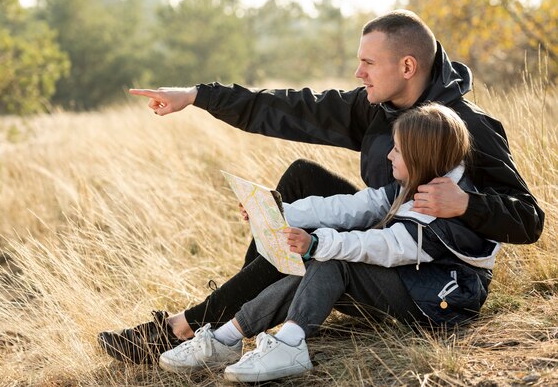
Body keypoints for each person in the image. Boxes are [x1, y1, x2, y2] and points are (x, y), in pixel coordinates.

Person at [97, 9, 544, 365]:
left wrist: (465, 203)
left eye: (368, 62)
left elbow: (529, 219)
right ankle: (241, 315)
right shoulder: (377, 107)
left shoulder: (471, 128)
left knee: (312, 235)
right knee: (296, 179)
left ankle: (190, 327)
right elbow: (290, 107)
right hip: (387, 231)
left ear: (407, 65)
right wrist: (198, 95)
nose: (358, 72)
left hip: (430, 273)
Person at [156, 103, 501, 382]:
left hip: (443, 301)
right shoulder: (415, 184)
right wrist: (282, 213)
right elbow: (351, 207)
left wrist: (318, 243)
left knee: (331, 258)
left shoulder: (442, 206)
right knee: (317, 256)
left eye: (398, 150)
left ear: (421, 155)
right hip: (412, 281)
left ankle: (290, 343)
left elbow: (385, 247)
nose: (390, 156)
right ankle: (226, 339)